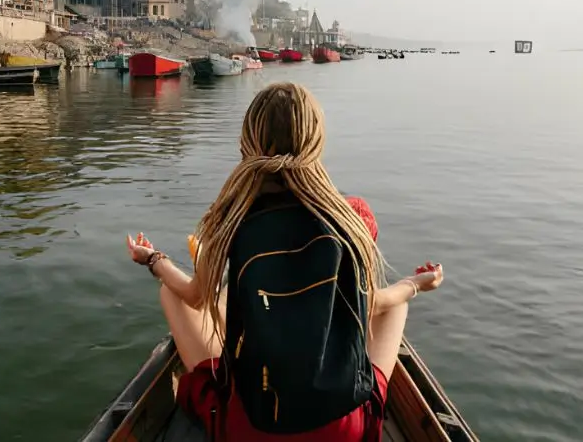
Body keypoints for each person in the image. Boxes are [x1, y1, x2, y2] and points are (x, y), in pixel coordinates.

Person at [125, 82, 444, 441]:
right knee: (395, 302)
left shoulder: (229, 218)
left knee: (173, 294)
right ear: (316, 141)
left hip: (253, 430)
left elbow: (194, 295)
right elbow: (370, 303)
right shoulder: (353, 217)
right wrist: (417, 284)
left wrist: (152, 259)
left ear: (248, 142)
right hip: (343, 431)